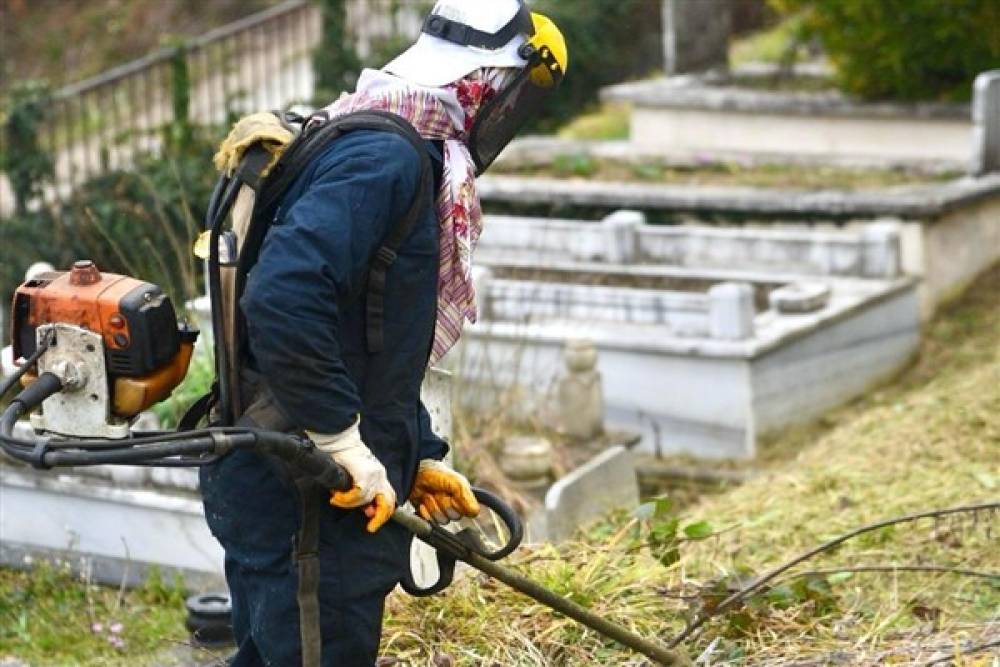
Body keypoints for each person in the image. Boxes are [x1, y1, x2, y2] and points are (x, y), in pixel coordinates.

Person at [198, 1, 567, 665]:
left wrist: (416, 452)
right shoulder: (385, 158)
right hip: (307, 502)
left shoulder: (379, 141)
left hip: (291, 479)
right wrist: (339, 436)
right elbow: (282, 296)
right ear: (485, 85)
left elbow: (367, 335)